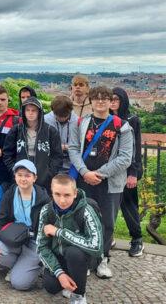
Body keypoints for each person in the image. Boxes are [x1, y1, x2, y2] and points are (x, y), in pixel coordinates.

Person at [69, 86, 133, 278]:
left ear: (110, 101)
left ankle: (103, 258)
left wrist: (99, 174)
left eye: (105, 98)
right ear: (91, 101)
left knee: (107, 223)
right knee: (83, 220)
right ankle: (86, 259)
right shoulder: (81, 123)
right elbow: (73, 148)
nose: (100, 101)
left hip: (109, 183)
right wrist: (84, 171)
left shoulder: (122, 126)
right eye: (96, 98)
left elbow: (125, 158)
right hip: (84, 180)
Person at [37, 174, 103, 304]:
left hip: (83, 257)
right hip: (60, 257)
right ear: (52, 193)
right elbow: (41, 247)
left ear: (75, 193)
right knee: (50, 286)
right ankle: (67, 278)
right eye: (57, 194)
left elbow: (97, 247)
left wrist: (59, 232)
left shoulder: (86, 210)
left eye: (67, 195)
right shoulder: (46, 211)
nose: (62, 200)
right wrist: (59, 274)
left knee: (73, 253)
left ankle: (79, 295)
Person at [0, 160, 51, 290]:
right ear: (15, 176)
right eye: (20, 175)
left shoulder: (43, 198)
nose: (23, 179)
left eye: (27, 175)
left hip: (35, 242)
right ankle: (22, 266)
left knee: (19, 284)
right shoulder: (10, 193)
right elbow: (1, 219)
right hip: (15, 237)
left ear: (35, 178)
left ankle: (34, 266)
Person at [110, 87, 144, 257]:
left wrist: (134, 173)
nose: (114, 101)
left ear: (123, 100)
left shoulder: (132, 119)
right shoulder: (106, 118)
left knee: (129, 206)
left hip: (127, 170)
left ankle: (137, 239)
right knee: (108, 207)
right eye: (111, 98)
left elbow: (135, 148)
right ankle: (108, 237)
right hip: (110, 171)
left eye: (117, 98)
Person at [3, 97, 62, 192]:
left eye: (34, 110)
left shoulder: (50, 131)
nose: (30, 113)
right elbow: (7, 154)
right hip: (20, 177)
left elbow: (57, 156)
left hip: (43, 178)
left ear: (39, 112)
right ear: (23, 112)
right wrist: (14, 170)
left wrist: (49, 174)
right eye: (28, 110)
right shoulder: (16, 130)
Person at [44, 96, 78, 174]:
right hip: (51, 161)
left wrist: (66, 147)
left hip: (71, 163)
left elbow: (78, 144)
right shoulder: (45, 120)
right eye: (59, 116)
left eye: (65, 116)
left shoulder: (77, 121)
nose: (62, 119)